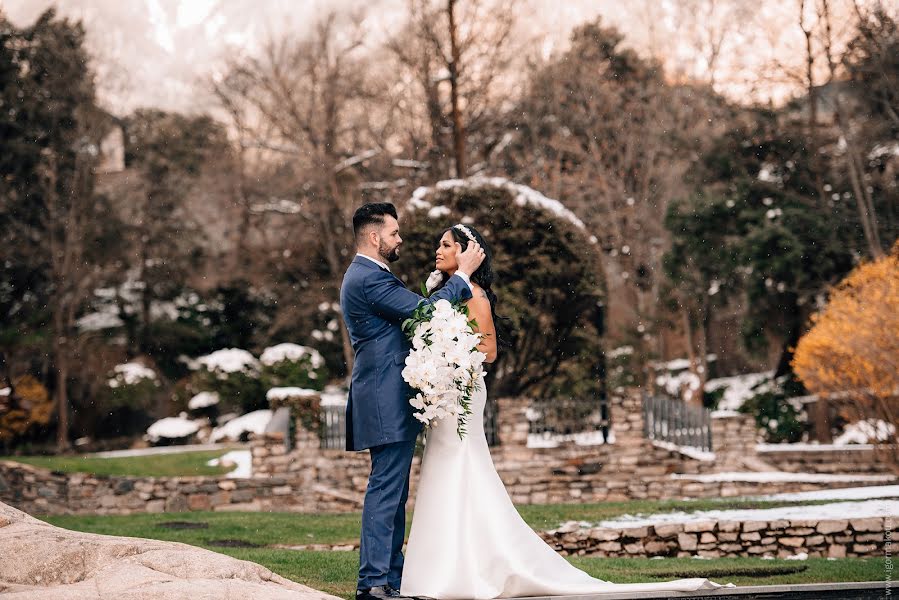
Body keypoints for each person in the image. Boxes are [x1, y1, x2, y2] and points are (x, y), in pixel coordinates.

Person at [400, 223, 733, 599]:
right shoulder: (441, 293)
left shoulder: (474, 294)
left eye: (445, 245)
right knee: (443, 464)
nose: (437, 250)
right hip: (443, 393)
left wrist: (450, 350)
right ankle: (443, 566)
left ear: (465, 253)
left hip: (463, 392)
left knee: (462, 462)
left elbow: (489, 351)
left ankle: (468, 567)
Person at [340, 203, 486, 600]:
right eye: (394, 233)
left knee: (394, 490)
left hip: (388, 395)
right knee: (387, 489)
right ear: (375, 237)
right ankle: (372, 583)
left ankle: (390, 580)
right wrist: (465, 277)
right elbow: (425, 313)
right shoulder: (369, 278)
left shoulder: (373, 275)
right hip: (383, 396)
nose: (400, 239)